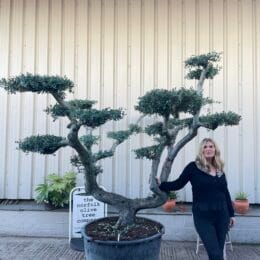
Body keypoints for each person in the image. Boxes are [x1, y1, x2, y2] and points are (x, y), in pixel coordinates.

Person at [159, 138, 235, 260]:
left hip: (222, 216)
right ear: (201, 150)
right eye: (205, 147)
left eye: (211, 146)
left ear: (215, 149)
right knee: (215, 253)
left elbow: (225, 192)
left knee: (218, 253)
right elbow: (178, 183)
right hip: (203, 216)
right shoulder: (193, 167)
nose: (208, 149)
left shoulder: (219, 169)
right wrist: (161, 185)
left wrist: (231, 214)